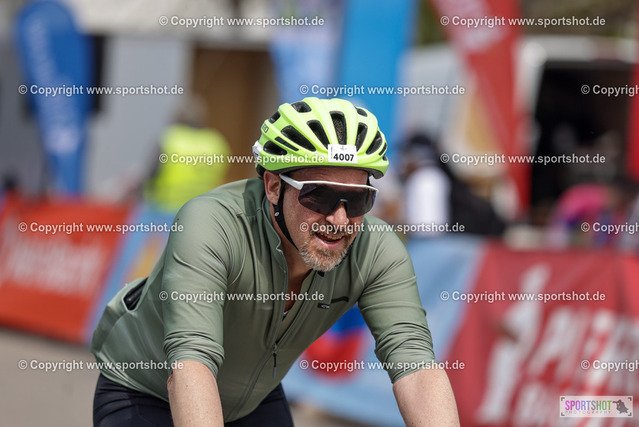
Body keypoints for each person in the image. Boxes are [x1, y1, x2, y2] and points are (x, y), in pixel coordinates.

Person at [90, 97, 459, 426]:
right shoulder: (211, 226)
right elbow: (192, 363)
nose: (340, 219)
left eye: (358, 199)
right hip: (147, 391)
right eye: (319, 196)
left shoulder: (376, 249)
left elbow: (416, 367)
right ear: (273, 186)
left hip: (252, 399)